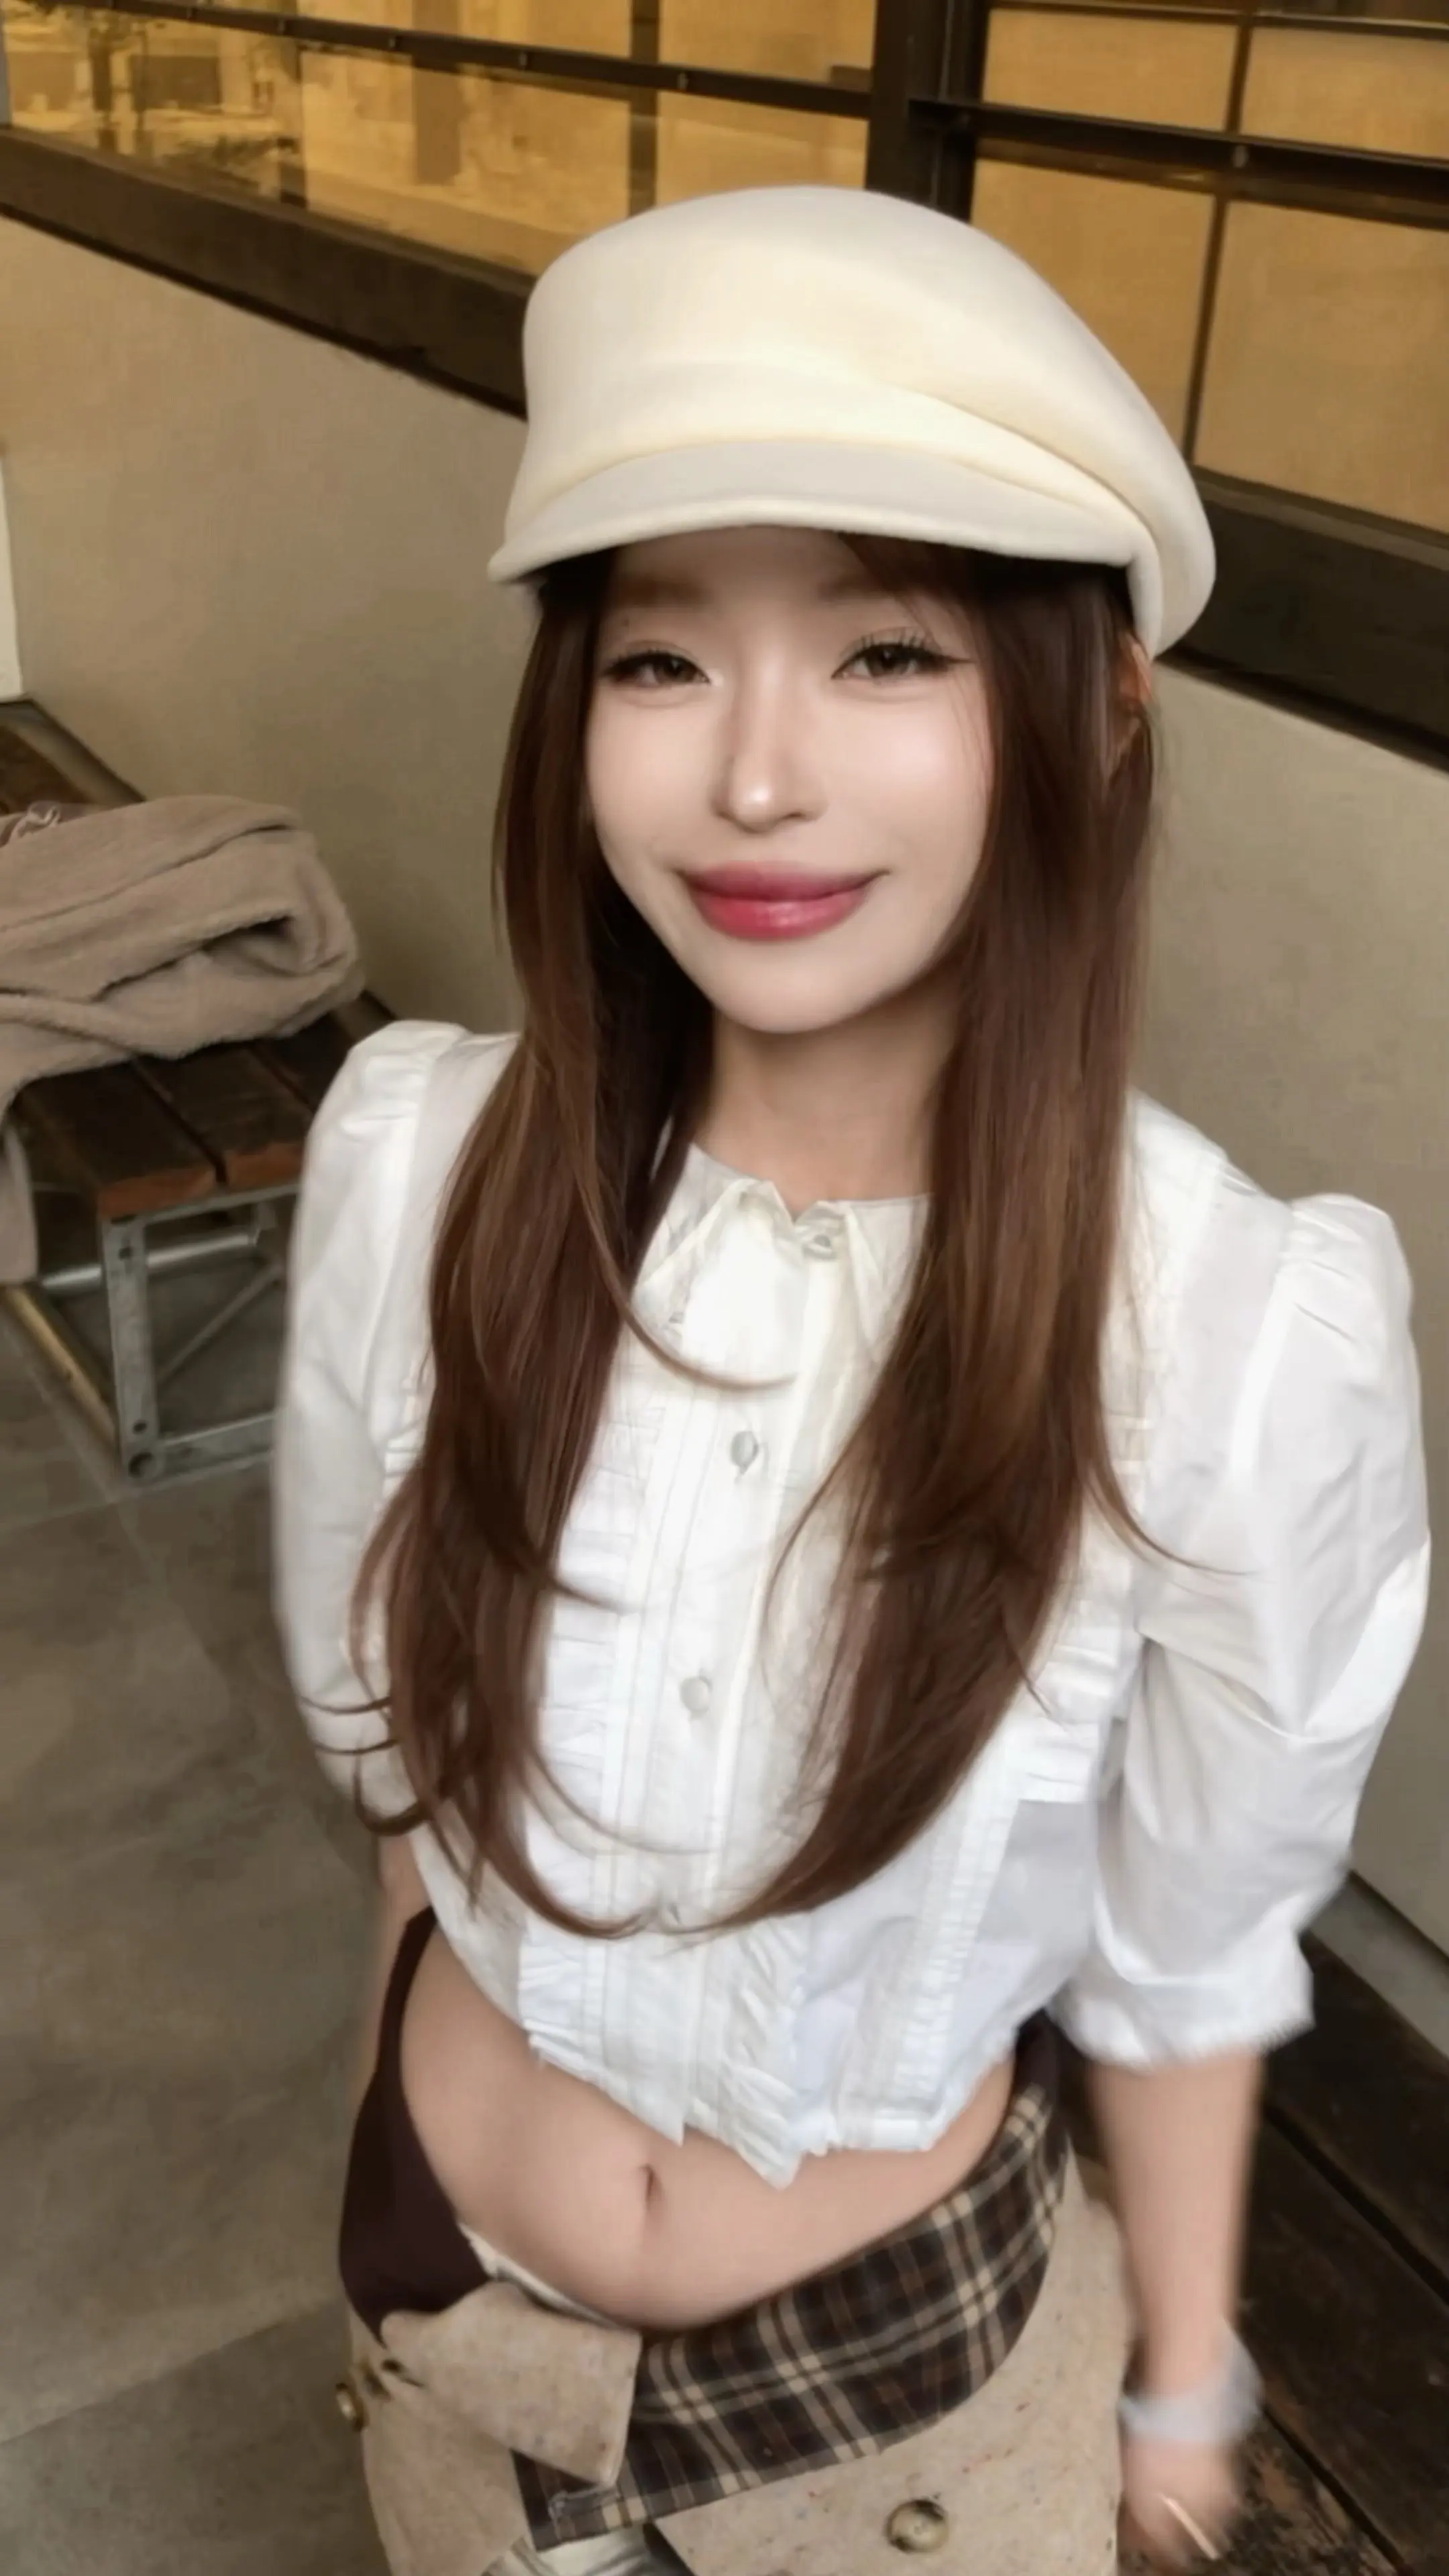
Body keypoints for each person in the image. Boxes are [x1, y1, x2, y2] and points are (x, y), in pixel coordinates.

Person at [272, 186, 1429, 2576]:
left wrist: (1184, 2386)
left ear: (1100, 703)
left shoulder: (1236, 1338)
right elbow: (390, 1755)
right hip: (445, 2333)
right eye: (661, 659)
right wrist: (388, 2150)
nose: (755, 781)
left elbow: (1192, 1966)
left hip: (902, 2424)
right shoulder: (420, 1174)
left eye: (888, 649)